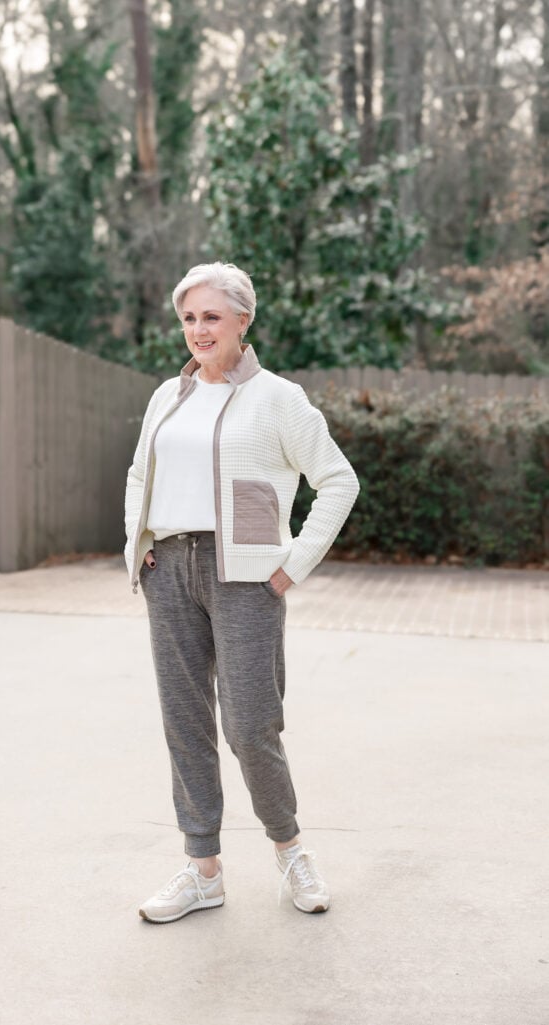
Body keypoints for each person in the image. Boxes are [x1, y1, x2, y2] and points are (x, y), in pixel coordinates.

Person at [124, 262, 359, 924]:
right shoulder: (165, 395)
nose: (197, 329)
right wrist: (137, 544)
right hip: (168, 567)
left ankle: (289, 850)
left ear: (242, 322)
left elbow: (338, 480)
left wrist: (290, 565)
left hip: (246, 576)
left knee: (252, 724)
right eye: (189, 317)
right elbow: (140, 470)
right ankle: (203, 870)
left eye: (211, 317)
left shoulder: (278, 398)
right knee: (184, 720)